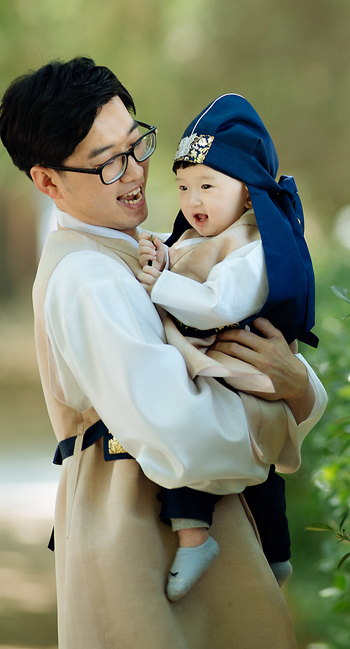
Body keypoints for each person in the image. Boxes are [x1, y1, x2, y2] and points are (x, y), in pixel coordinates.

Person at [0, 57, 324, 648]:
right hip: (137, 547)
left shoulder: (146, 252)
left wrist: (295, 385)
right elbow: (185, 437)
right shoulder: (88, 279)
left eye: (137, 145)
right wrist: (287, 404)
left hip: (182, 536)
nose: (135, 174)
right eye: (107, 163)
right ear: (47, 181)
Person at [133, 93, 317, 601]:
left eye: (208, 186)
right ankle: (209, 541)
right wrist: (159, 255)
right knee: (238, 463)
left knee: (207, 446)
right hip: (218, 368)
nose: (193, 200)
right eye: (185, 186)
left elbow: (216, 305)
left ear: (249, 191)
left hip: (238, 371)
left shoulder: (253, 249)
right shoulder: (199, 238)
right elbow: (182, 263)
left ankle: (245, 550)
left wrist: (158, 287)